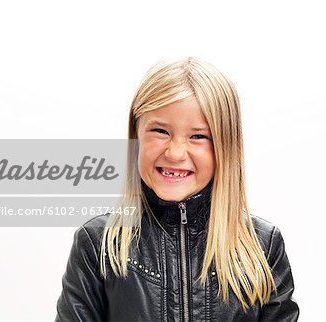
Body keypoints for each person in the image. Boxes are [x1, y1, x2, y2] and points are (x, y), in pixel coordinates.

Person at [55, 57, 300, 321]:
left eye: (198, 136)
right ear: (136, 134)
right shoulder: (97, 244)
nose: (175, 152)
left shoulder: (263, 246)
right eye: (160, 131)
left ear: (226, 146)